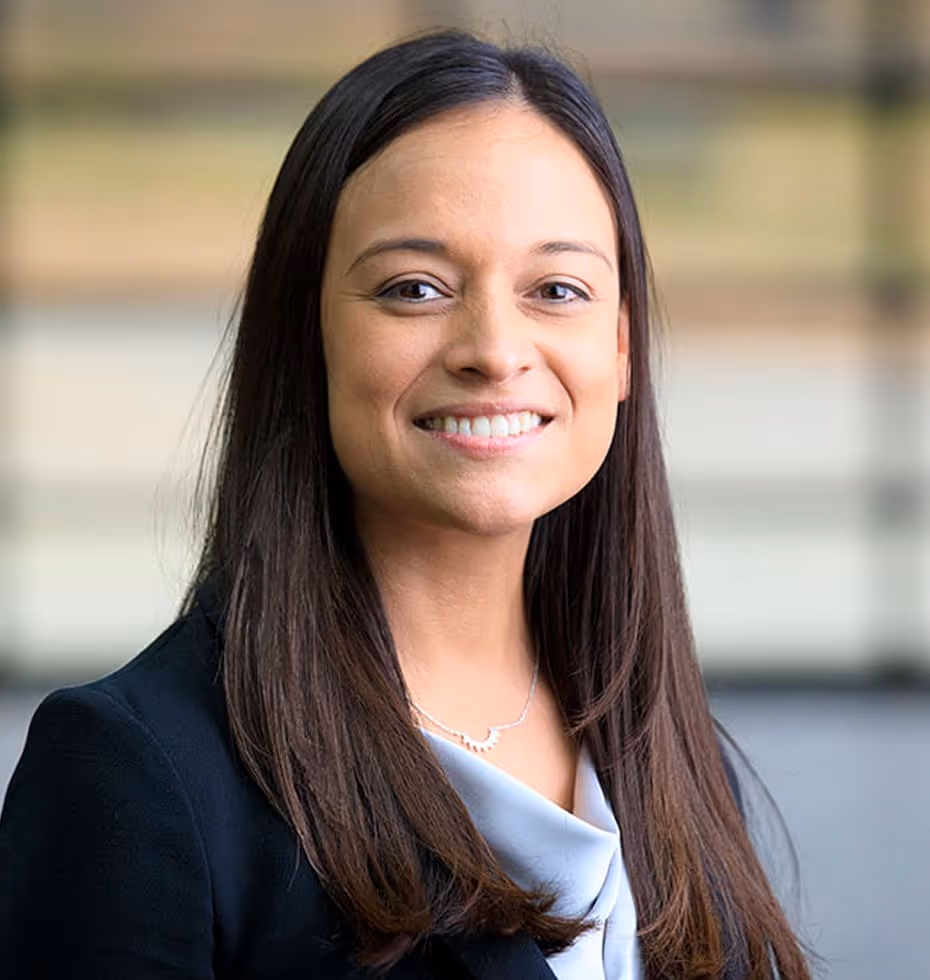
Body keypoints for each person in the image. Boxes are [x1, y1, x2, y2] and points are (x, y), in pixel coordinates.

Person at [0, 30, 811, 980]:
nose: (494, 349)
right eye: (414, 288)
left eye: (558, 289)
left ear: (622, 346)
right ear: (306, 334)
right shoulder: (137, 777)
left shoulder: (674, 762)